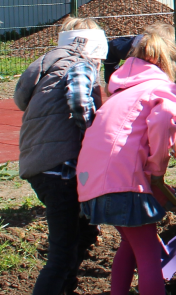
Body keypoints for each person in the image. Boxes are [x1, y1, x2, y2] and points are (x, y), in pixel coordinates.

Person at [77, 24, 176, 295]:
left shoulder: (121, 93)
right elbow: (161, 124)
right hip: (123, 185)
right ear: (167, 62)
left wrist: (154, 185)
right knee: (148, 254)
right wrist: (157, 172)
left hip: (93, 185)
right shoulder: (162, 89)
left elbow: (122, 145)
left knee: (130, 246)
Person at [15, 16, 107, 295]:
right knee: (62, 254)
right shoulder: (80, 64)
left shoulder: (43, 65)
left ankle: (66, 288)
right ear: (94, 48)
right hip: (60, 169)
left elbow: (20, 99)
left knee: (84, 233)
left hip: (38, 164)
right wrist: (94, 133)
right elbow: (80, 99)